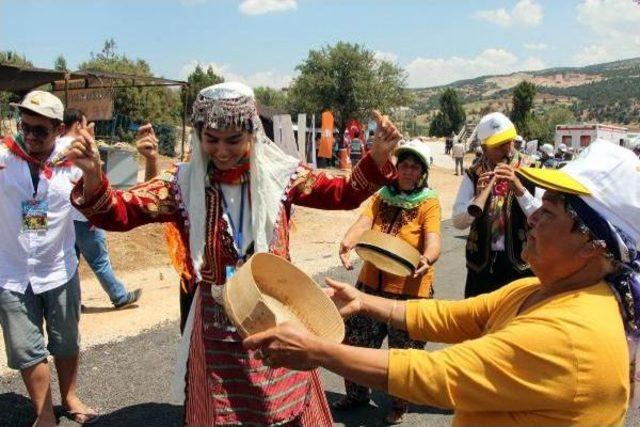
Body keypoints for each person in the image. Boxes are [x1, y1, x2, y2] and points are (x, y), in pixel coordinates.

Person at [67, 82, 402, 426]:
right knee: (222, 411)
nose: (221, 150)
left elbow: (342, 193)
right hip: (217, 321)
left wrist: (376, 157)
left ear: (252, 134)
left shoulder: (281, 175)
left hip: (279, 310)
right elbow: (119, 212)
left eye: (232, 140)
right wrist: (93, 173)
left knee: (285, 406)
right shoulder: (181, 184)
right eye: (211, 139)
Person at [244, 138, 640, 426]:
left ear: (594, 245)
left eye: (548, 213)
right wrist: (366, 303)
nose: (532, 217)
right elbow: (458, 316)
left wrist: (318, 352)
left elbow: (438, 375)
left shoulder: (571, 333)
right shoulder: (539, 290)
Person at [0, 91, 98, 426]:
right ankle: (44, 413)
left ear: (57, 129)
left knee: (66, 339)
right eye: (24, 126)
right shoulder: (3, 157)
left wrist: (94, 171)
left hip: (58, 269)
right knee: (27, 348)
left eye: (39, 130)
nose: (28, 135)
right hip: (10, 271)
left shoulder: (72, 161)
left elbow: (97, 203)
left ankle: (70, 396)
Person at [335, 139, 441, 424]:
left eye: (414, 167)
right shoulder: (382, 195)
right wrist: (347, 242)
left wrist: (427, 259)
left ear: (422, 172)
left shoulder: (428, 202)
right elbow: (363, 222)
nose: (407, 171)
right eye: (403, 165)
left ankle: (398, 402)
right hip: (369, 286)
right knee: (356, 342)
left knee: (403, 353)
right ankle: (356, 393)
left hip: (409, 293)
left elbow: (433, 240)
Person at [59, 109, 141, 309]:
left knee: (69, 264)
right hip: (84, 217)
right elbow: (91, 185)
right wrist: (97, 217)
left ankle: (73, 303)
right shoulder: (81, 148)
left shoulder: (52, 147)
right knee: (99, 260)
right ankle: (119, 296)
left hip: (63, 219)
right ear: (78, 124)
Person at [452, 112, 538, 297]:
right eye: (499, 146)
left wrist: (520, 190)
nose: (507, 150)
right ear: (484, 148)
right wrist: (476, 198)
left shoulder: (533, 169)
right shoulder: (473, 174)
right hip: (481, 267)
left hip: (521, 266)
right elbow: (458, 223)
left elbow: (544, 218)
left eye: (510, 142)